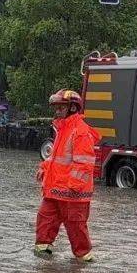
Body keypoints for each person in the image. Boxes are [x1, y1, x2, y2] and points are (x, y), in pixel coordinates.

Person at [35, 89, 99, 261]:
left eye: (60, 107)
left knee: (76, 229)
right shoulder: (62, 129)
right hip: (55, 190)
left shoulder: (80, 131)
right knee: (44, 222)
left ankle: (84, 260)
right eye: (56, 107)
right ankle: (43, 259)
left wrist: (74, 186)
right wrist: (44, 168)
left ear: (72, 108)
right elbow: (56, 158)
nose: (57, 111)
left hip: (73, 194)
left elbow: (84, 163)